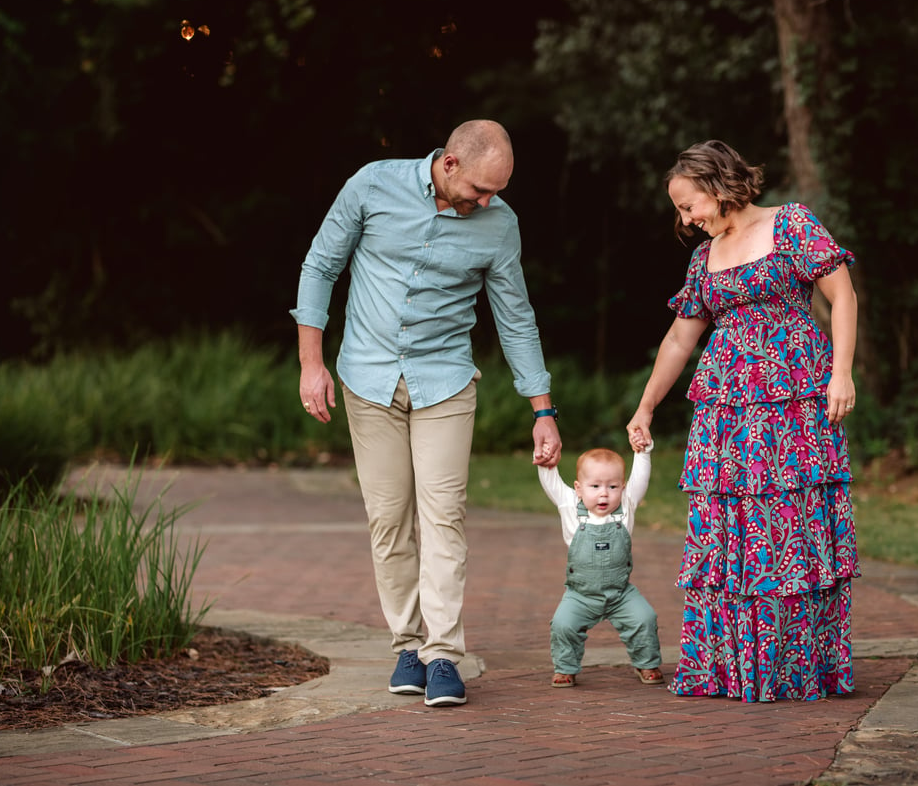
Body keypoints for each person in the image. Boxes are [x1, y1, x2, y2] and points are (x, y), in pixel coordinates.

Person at [291, 119, 563, 708]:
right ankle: (407, 646)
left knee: (444, 517)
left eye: (498, 192)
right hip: (368, 379)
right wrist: (311, 364)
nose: (488, 202)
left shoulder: (500, 224)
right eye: (480, 190)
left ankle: (443, 655)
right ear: (451, 164)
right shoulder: (371, 186)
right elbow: (320, 268)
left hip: (444, 383)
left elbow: (516, 317)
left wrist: (542, 409)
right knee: (388, 519)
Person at [625, 140, 859, 703]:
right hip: (725, 411)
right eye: (680, 211)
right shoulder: (703, 259)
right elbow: (682, 337)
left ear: (719, 185)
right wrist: (647, 405)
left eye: (689, 206)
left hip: (794, 400)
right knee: (729, 529)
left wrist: (842, 373)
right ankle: (731, 667)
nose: (685, 220)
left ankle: (795, 665)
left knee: (791, 524)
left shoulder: (792, 226)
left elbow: (843, 295)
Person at [536, 442, 663, 689]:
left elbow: (640, 477)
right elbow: (551, 481)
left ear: (623, 488)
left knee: (644, 618)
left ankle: (647, 663)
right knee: (563, 625)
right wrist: (545, 461)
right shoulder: (569, 506)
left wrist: (643, 451)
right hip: (580, 594)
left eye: (612, 486)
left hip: (621, 593)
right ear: (578, 488)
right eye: (595, 486)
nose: (604, 493)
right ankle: (565, 668)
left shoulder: (627, 505)